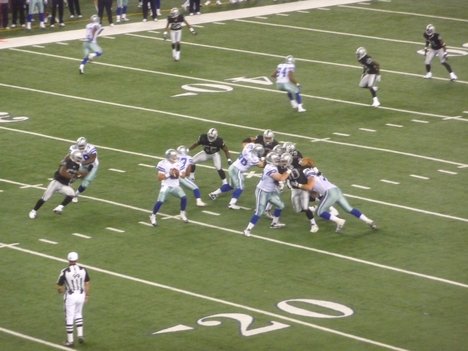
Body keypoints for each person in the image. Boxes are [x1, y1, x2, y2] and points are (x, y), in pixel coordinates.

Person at [293, 157, 377, 232]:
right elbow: (314, 189)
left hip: (330, 192)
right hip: (336, 190)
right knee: (349, 209)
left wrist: (298, 185)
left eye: (302, 162)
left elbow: (310, 186)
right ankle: (368, 221)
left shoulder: (307, 171)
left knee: (319, 212)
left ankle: (339, 221)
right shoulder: (314, 170)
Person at [243, 152, 293, 237]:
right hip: (262, 192)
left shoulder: (271, 166)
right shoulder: (270, 168)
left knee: (280, 205)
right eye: (276, 160)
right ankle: (247, 229)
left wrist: (286, 163)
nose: (278, 161)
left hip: (270, 191)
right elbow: (280, 178)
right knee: (259, 212)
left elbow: (280, 167)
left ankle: (275, 223)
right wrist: (288, 171)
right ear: (271, 161)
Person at [28, 150, 85, 219]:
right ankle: (33, 211)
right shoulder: (67, 161)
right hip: (56, 182)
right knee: (45, 198)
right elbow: (62, 173)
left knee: (72, 194)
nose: (80, 160)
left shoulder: (77, 165)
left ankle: (59, 208)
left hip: (64, 185)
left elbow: (77, 174)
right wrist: (74, 176)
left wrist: (78, 176)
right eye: (78, 159)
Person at [208, 143, 265, 209]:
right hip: (237, 170)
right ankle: (231, 204)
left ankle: (213, 194)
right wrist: (265, 160)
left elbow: (245, 144)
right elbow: (261, 165)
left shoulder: (248, 148)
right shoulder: (254, 159)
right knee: (240, 187)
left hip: (233, 167)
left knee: (231, 186)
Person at [282, 143, 319, 233]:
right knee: (298, 210)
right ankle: (314, 208)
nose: (283, 163)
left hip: (301, 186)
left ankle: (314, 224)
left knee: (305, 207)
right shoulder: (288, 164)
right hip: (294, 189)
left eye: (284, 161)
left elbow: (304, 169)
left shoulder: (296, 165)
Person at [56, 251, 90, 347]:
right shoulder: (83, 270)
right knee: (78, 313)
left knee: (69, 317)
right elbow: (87, 283)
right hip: (81, 294)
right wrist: (87, 295)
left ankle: (70, 341)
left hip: (70, 296)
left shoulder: (65, 271)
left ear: (68, 260)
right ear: (77, 260)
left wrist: (60, 291)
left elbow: (59, 286)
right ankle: (80, 334)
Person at [149, 149, 189, 226]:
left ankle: (182, 213)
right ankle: (153, 216)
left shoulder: (179, 163)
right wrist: (169, 174)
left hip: (175, 186)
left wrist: (180, 173)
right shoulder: (162, 163)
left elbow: (183, 175)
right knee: (160, 201)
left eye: (175, 155)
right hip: (166, 185)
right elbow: (159, 178)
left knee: (184, 198)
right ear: (169, 156)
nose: (175, 157)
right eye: (173, 156)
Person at [68, 137, 99, 203]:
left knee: (86, 182)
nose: (81, 147)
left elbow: (92, 159)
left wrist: (81, 163)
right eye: (80, 146)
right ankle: (68, 185)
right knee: (73, 176)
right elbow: (70, 157)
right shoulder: (73, 148)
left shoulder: (91, 148)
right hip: (81, 165)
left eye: (82, 146)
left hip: (93, 166)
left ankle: (76, 195)